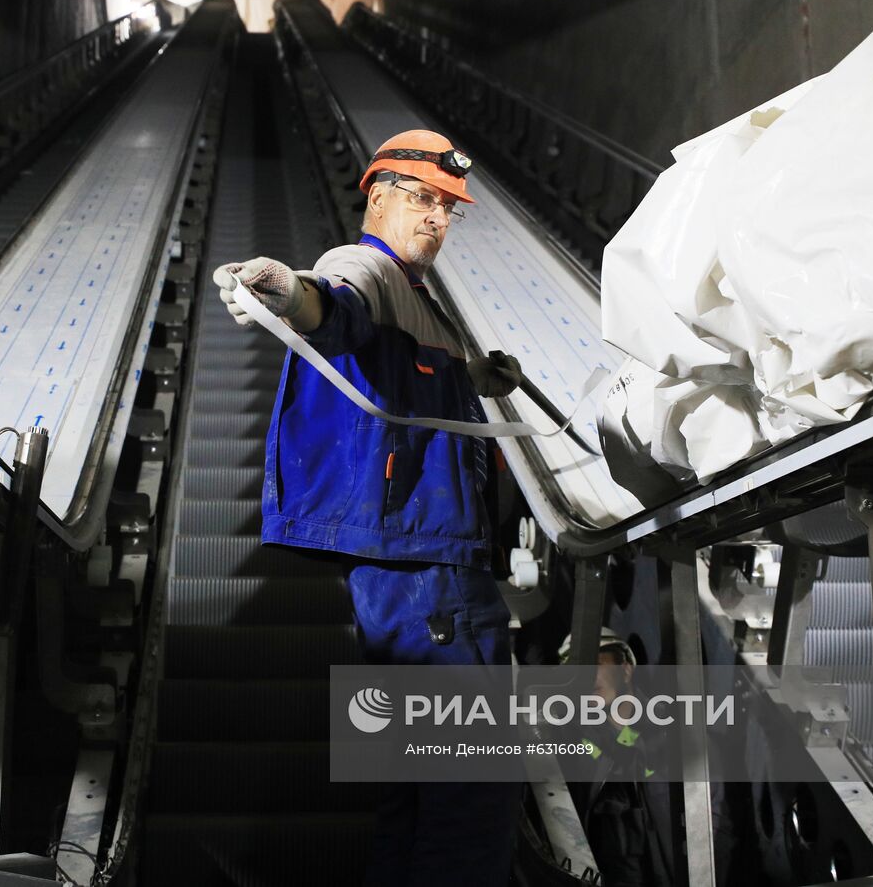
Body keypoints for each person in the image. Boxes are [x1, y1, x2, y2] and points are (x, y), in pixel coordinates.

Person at [212, 129, 523, 886]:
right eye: (422, 199)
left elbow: (404, 374)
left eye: (449, 209)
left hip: (403, 578)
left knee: (412, 795)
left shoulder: (418, 300)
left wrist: (476, 373)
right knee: (472, 788)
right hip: (429, 581)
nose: (437, 220)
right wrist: (284, 290)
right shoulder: (369, 269)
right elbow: (331, 304)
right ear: (378, 196)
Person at [559, 628, 675, 887]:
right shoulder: (572, 747)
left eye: (596, 664)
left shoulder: (675, 736)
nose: (586, 677)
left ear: (625, 669)